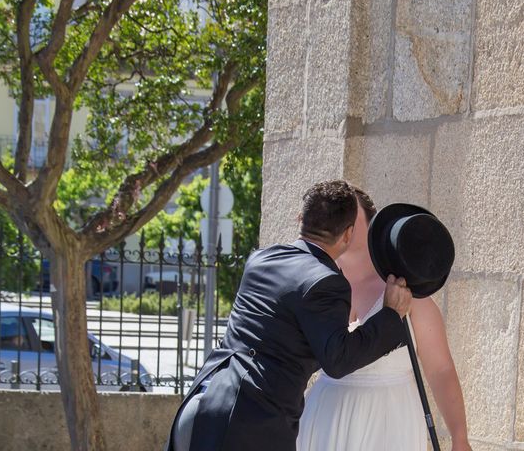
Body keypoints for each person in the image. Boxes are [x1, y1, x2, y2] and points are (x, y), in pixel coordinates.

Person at [165, 180, 414, 451]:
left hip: (201, 405)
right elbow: (338, 359)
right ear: (348, 234)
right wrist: (390, 315)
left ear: (300, 219)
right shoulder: (326, 281)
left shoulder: (260, 260)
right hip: (247, 424)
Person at [297, 188, 472, 451]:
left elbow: (441, 370)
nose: (341, 220)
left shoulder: (406, 290)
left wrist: (460, 438)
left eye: (350, 213)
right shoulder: (316, 286)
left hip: (389, 424)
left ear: (371, 225)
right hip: (325, 420)